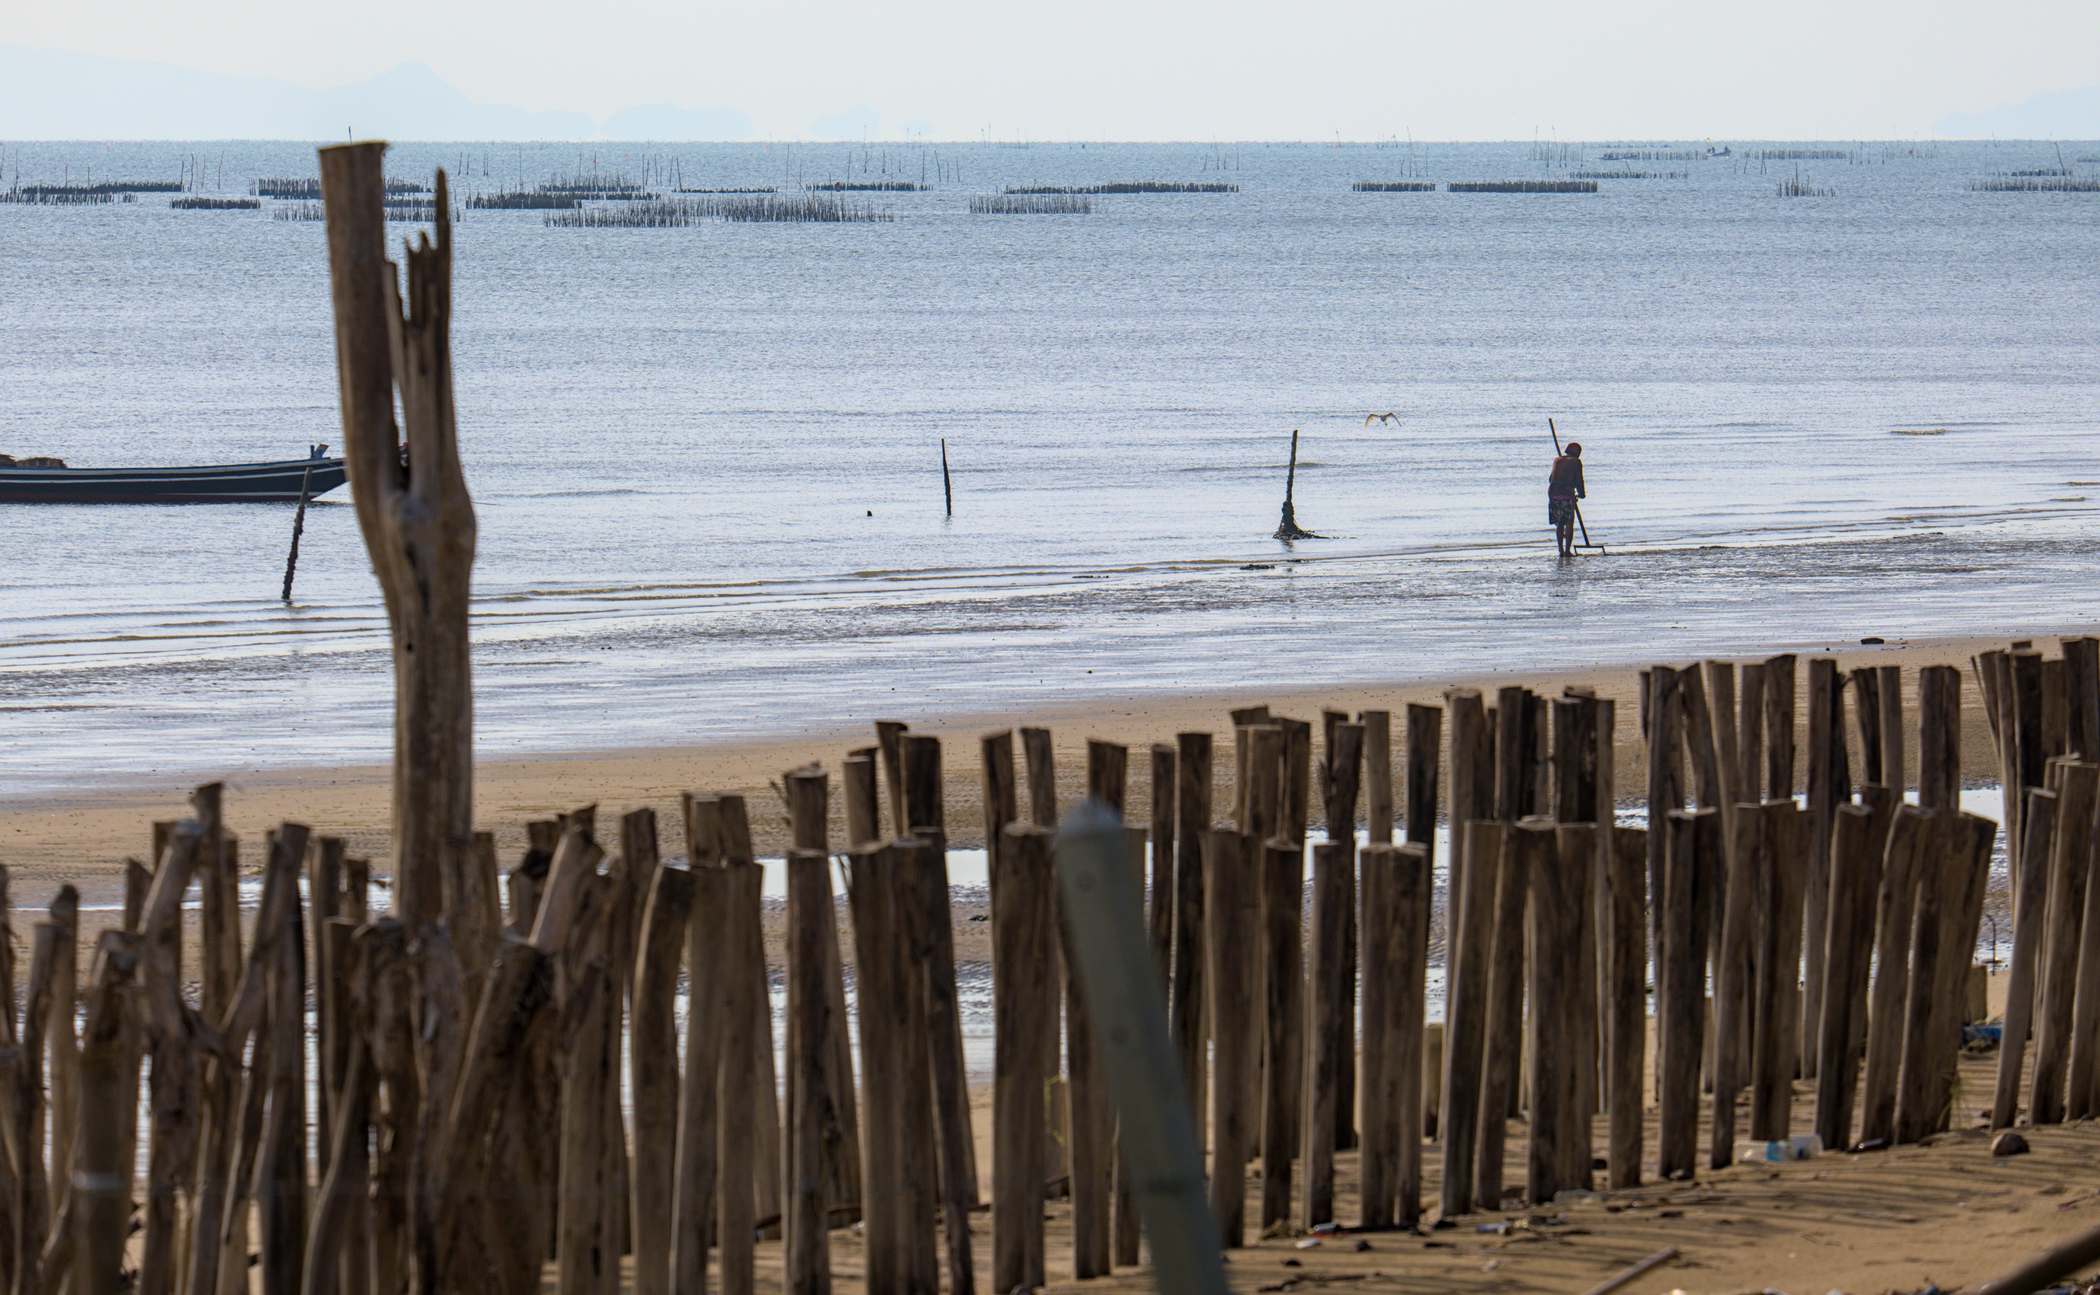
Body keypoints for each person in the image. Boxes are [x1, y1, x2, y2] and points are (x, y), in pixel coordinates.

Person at [1549, 441, 1586, 557]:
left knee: (1559, 522)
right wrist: (1581, 494)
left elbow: (1551, 479)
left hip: (1553, 493)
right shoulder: (1576, 462)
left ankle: (1561, 550)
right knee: (1569, 522)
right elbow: (1579, 480)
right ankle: (1567, 551)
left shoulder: (1557, 460)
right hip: (1566, 493)